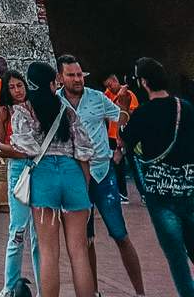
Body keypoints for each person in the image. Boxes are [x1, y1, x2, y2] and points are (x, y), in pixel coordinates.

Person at [0, 61, 95, 297]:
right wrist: (85, 187)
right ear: (52, 83)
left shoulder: (24, 110)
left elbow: (25, 148)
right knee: (80, 252)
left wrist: (0, 147)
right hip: (72, 174)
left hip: (44, 176)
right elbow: (84, 151)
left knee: (49, 252)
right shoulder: (66, 110)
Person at [56, 55, 146, 297]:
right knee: (86, 240)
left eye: (79, 75)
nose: (77, 79)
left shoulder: (96, 97)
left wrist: (125, 105)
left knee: (120, 234)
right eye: (71, 75)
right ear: (60, 78)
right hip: (74, 177)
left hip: (101, 173)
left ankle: (140, 293)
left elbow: (121, 118)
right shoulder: (55, 103)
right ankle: (92, 291)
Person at [121, 57, 194, 297]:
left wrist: (123, 108)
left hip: (160, 195)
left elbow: (125, 144)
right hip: (189, 188)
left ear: (143, 83)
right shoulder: (186, 107)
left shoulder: (142, 114)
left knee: (177, 258)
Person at [0, 70, 40, 297]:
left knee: (40, 236)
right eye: (12, 87)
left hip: (40, 168)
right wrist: (20, 152)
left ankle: (43, 288)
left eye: (19, 85)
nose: (17, 90)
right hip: (19, 169)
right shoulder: (4, 111)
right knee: (18, 230)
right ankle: (8, 287)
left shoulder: (35, 106)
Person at [104, 74, 138, 202]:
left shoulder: (128, 94)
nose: (109, 88)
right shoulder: (107, 94)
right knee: (116, 165)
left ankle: (143, 193)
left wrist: (122, 105)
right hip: (112, 135)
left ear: (115, 80)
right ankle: (120, 192)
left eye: (110, 84)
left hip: (126, 134)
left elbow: (133, 113)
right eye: (106, 86)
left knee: (133, 163)